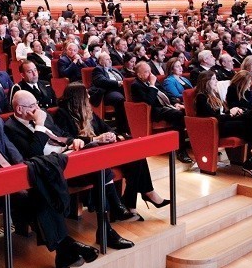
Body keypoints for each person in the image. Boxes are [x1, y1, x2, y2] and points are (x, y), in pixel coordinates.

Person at [0, 89, 100, 268]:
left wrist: (21, 170)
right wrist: (1, 173)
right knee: (26, 200)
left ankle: (64, 251)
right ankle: (67, 246)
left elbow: (10, 149)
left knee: (42, 192)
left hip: (11, 174)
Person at [5, 90, 134, 250]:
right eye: (32, 106)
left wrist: (75, 141)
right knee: (98, 166)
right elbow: (33, 154)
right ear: (19, 109)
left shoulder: (42, 114)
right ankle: (109, 223)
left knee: (99, 163)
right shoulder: (11, 128)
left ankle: (106, 228)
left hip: (68, 156)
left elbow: (62, 135)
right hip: (51, 170)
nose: (37, 108)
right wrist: (39, 126)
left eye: (36, 104)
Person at [53, 83, 168, 215]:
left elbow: (106, 127)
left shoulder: (88, 110)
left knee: (136, 155)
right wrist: (96, 139)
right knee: (133, 158)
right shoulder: (62, 114)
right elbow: (69, 140)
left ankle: (139, 198)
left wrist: (111, 135)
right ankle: (137, 199)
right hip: (86, 156)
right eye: (86, 94)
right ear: (78, 98)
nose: (89, 96)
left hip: (102, 150)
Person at [196, 70, 252, 173]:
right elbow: (213, 117)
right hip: (217, 126)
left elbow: (221, 112)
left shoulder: (214, 94)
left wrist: (233, 111)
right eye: (214, 79)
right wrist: (230, 114)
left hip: (224, 121)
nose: (217, 81)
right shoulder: (201, 97)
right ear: (206, 82)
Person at [130, 61, 192, 163]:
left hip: (166, 106)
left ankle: (191, 145)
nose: (150, 74)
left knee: (188, 111)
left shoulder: (154, 80)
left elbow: (166, 94)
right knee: (178, 115)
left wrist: (175, 103)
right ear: (139, 75)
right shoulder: (136, 85)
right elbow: (149, 101)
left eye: (150, 71)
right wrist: (152, 85)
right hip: (154, 111)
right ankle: (180, 151)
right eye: (146, 72)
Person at [90, 52, 128, 133]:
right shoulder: (97, 70)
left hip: (120, 89)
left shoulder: (114, 69)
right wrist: (118, 83)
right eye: (107, 59)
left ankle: (133, 125)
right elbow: (102, 81)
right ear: (101, 61)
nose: (110, 61)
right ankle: (122, 128)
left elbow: (124, 79)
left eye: (110, 59)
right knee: (120, 99)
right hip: (107, 92)